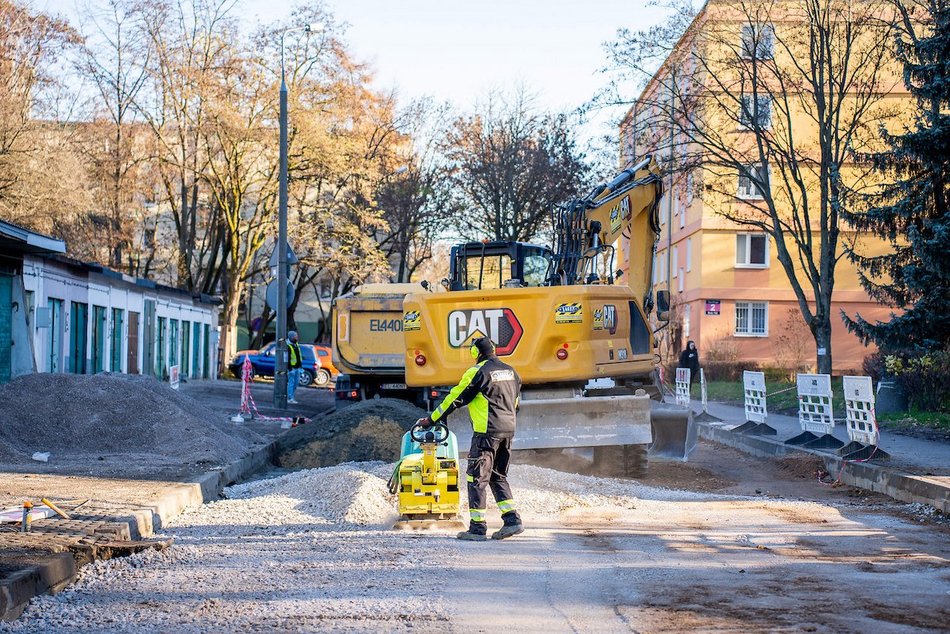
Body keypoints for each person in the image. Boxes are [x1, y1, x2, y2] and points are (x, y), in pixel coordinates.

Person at [423, 336, 524, 541]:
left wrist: (432, 418)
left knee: (476, 478)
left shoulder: (477, 372)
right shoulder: (511, 372)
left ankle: (477, 528)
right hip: (508, 431)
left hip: (486, 433)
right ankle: (512, 520)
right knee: (498, 475)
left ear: (476, 353)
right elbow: (516, 402)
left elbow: (455, 397)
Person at [287, 330, 303, 404]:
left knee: (296, 383)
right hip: (292, 368)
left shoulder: (296, 344)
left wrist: (300, 366)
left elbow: (298, 356)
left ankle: (291, 396)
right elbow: (287, 358)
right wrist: (290, 368)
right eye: (295, 336)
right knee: (291, 383)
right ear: (291, 337)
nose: (296, 337)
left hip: (297, 368)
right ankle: (290, 397)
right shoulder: (288, 346)